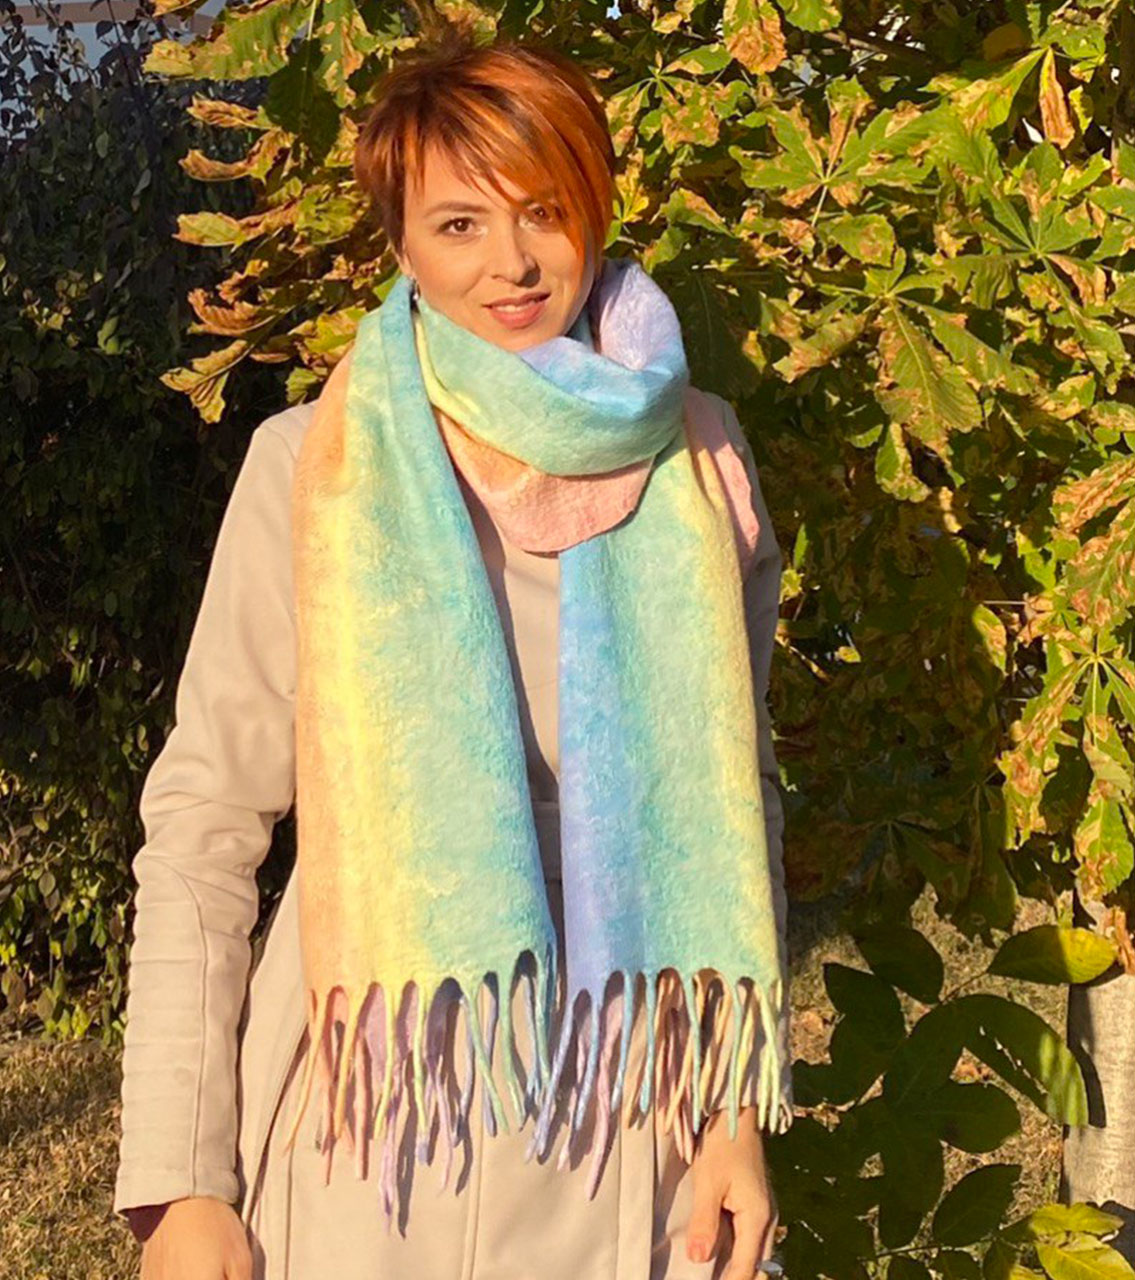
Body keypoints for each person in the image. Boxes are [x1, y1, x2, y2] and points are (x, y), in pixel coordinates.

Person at [114, 32, 793, 1280]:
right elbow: (207, 821)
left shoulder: (701, 457)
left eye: (544, 210)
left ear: (595, 207)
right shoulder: (314, 467)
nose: (511, 263)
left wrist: (732, 1116)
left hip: (630, 1124)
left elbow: (729, 812)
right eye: (460, 224)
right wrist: (180, 1183)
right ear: (401, 243)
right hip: (371, 1116)